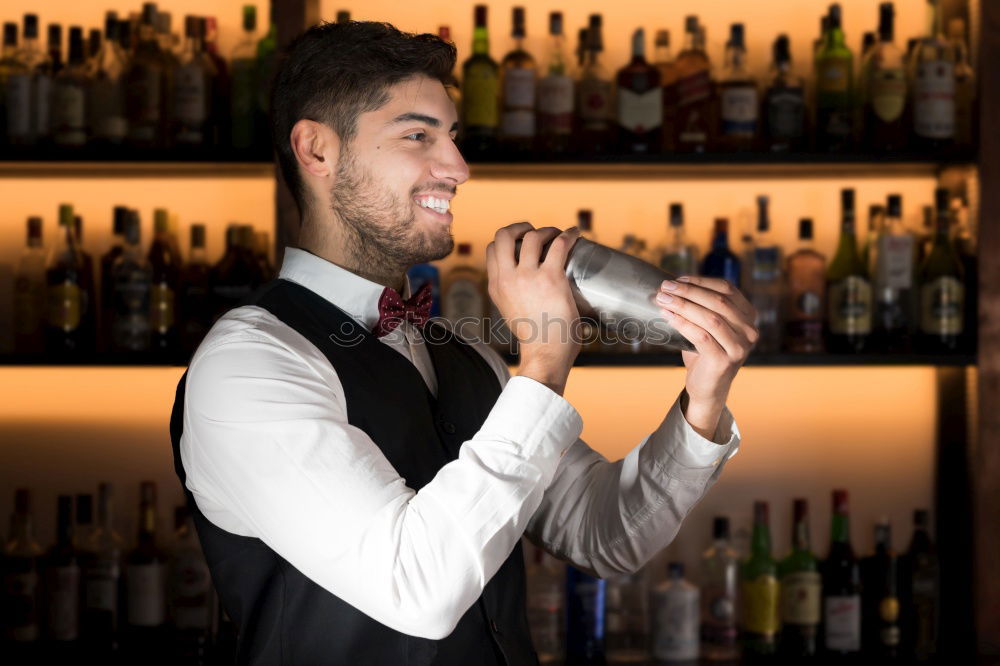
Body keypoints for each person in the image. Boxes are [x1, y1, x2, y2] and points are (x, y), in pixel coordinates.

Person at [169, 20, 758, 666]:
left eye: (452, 138)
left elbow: (604, 535)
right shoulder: (248, 363)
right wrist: (545, 359)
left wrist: (701, 405)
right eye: (417, 135)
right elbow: (416, 585)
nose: (457, 168)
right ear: (316, 151)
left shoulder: (462, 354)